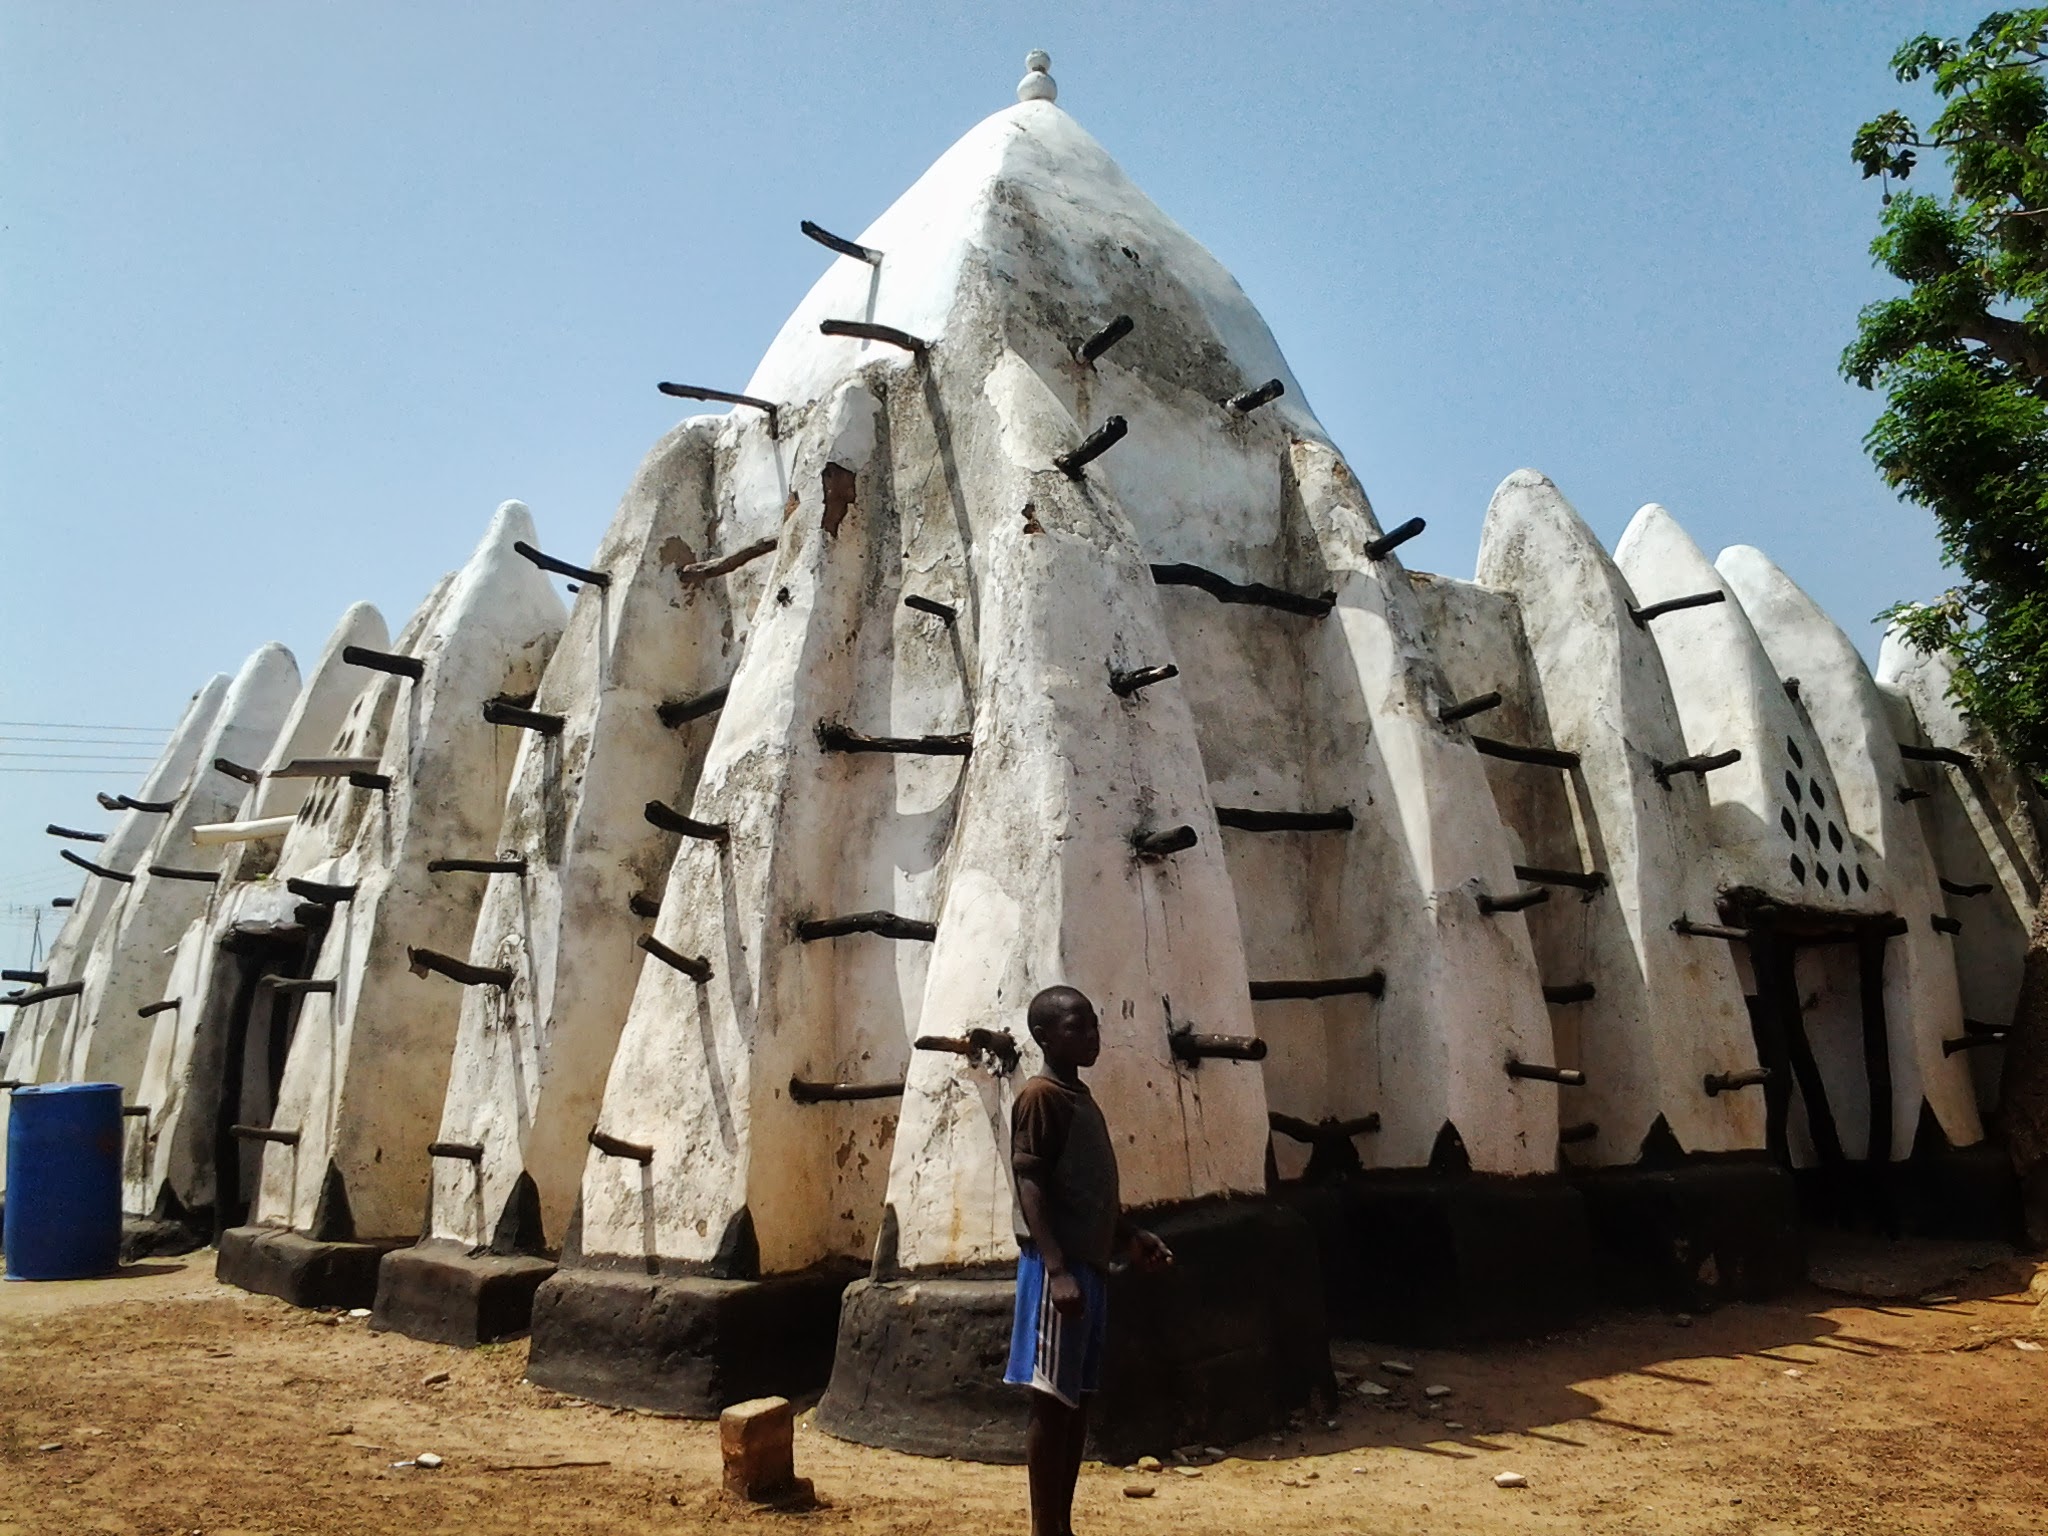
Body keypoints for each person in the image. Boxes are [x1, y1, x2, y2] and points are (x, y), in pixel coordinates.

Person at [1004, 984, 1173, 1536]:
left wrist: (1128, 1235)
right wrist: (1055, 1270)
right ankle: (1042, 1529)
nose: (1091, 1035)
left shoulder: (1079, 1097)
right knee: (1052, 1405)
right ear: (1043, 1036)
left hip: (1088, 1266)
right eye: (1076, 1027)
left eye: (1093, 1025)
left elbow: (1083, 1192)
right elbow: (1030, 1182)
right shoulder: (1041, 1097)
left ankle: (1061, 1525)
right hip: (1061, 1271)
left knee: (1074, 1405)